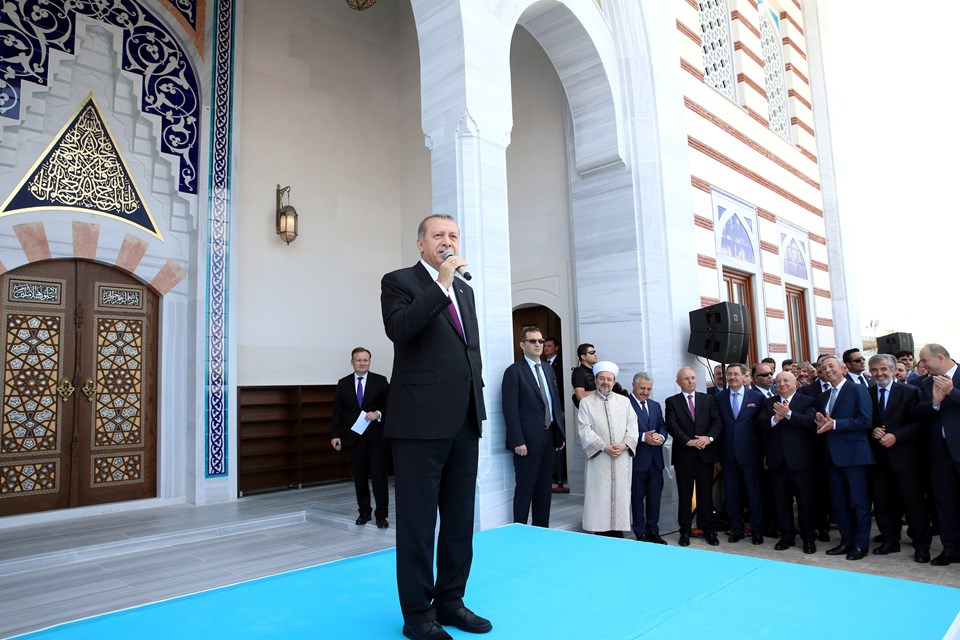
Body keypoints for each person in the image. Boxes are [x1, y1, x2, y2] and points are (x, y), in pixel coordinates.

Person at [380, 214, 491, 640]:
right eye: (439, 235)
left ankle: (452, 602)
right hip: (418, 423)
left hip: (464, 419)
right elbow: (401, 330)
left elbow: (470, 352)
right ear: (420, 244)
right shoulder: (400, 281)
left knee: (460, 519)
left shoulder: (464, 288)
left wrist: (476, 404)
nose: (448, 241)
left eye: (454, 236)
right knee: (418, 522)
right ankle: (418, 616)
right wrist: (439, 284)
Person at [866, 354, 930, 562]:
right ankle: (889, 540)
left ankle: (922, 546)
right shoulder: (868, 392)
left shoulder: (910, 392)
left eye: (883, 369)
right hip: (879, 459)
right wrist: (873, 431)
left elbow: (918, 423)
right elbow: (866, 421)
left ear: (894, 370)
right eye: (874, 370)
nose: (879, 373)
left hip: (906, 459)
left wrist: (897, 436)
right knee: (883, 503)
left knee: (913, 504)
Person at [501, 326, 566, 527]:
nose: (538, 344)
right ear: (522, 345)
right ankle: (519, 530)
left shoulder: (548, 369)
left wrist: (559, 434)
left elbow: (554, 402)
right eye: (533, 341)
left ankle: (541, 531)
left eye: (540, 340)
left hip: (548, 439)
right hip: (526, 442)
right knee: (524, 490)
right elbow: (510, 410)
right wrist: (517, 440)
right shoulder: (514, 372)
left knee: (544, 490)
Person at [814, 355, 874, 561]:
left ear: (843, 369)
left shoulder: (857, 390)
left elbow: (865, 421)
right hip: (832, 457)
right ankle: (846, 540)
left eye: (831, 366)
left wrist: (836, 424)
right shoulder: (824, 396)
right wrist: (822, 422)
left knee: (859, 502)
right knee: (839, 504)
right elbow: (826, 423)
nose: (827, 370)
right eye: (823, 367)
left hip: (854, 456)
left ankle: (860, 544)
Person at [759, 371, 819, 553]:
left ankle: (808, 538)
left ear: (795, 383)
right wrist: (775, 418)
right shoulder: (768, 402)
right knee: (781, 502)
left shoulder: (807, 401)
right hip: (777, 463)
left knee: (805, 503)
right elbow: (760, 424)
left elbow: (812, 422)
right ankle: (787, 536)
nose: (782, 384)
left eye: (786, 380)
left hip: (802, 463)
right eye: (778, 382)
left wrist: (789, 414)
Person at [330, 347, 390, 528]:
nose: (362, 363)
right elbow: (337, 412)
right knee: (360, 477)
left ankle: (381, 515)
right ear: (352, 362)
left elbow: (392, 405)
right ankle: (364, 512)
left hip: (376, 438)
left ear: (370, 361)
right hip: (354, 438)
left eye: (366, 360)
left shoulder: (380, 381)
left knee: (379, 478)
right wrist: (335, 434)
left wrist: (378, 413)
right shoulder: (343, 383)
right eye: (359, 360)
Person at [577, 361, 638, 537]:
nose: (606, 382)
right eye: (602, 378)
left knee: (620, 499)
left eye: (609, 379)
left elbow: (633, 427)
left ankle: (618, 536)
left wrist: (625, 444)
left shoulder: (625, 402)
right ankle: (600, 536)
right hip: (599, 459)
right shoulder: (586, 403)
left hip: (621, 458)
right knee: (599, 500)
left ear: (614, 381)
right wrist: (604, 447)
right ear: (596, 380)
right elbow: (584, 430)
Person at [665, 367, 722, 547]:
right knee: (685, 494)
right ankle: (685, 530)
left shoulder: (707, 398)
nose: (690, 381)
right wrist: (688, 441)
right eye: (686, 379)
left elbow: (717, 421)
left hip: (705, 454)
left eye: (692, 378)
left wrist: (709, 438)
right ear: (678, 382)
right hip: (685, 455)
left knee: (705, 494)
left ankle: (708, 529)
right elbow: (672, 425)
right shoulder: (672, 402)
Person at [914, 344, 960, 566]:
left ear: (940, 358)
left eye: (925, 361)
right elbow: (918, 414)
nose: (922, 365)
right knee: (945, 502)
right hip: (939, 454)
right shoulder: (924, 383)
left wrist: (952, 392)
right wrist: (934, 403)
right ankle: (950, 548)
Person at [715, 363, 766, 544]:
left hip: (751, 455)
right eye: (729, 374)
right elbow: (717, 428)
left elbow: (763, 428)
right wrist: (717, 457)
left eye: (736, 374)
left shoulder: (757, 398)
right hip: (728, 455)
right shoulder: (719, 398)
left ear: (745, 377)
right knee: (732, 494)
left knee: (754, 494)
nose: (732, 378)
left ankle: (757, 530)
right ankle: (736, 529)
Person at [628, 372, 668, 544]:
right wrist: (644, 437)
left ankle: (653, 530)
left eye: (649, 389)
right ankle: (640, 531)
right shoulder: (625, 404)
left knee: (654, 497)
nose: (645, 392)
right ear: (633, 386)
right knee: (637, 498)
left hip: (656, 461)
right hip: (637, 460)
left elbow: (662, 425)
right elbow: (621, 431)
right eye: (642, 388)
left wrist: (661, 437)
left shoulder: (655, 405)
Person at [571, 343, 627, 408]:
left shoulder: (597, 370)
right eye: (592, 352)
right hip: (592, 408)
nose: (595, 354)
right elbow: (580, 395)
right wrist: (603, 390)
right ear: (583, 357)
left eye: (595, 352)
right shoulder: (578, 372)